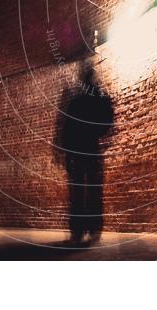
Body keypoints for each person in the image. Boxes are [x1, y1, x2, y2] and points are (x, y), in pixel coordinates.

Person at [55, 62, 115, 245]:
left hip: (78, 148)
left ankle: (79, 229)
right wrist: (95, 135)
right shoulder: (99, 98)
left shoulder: (77, 100)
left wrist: (66, 150)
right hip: (91, 147)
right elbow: (108, 121)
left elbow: (68, 128)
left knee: (78, 190)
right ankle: (94, 227)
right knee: (93, 189)